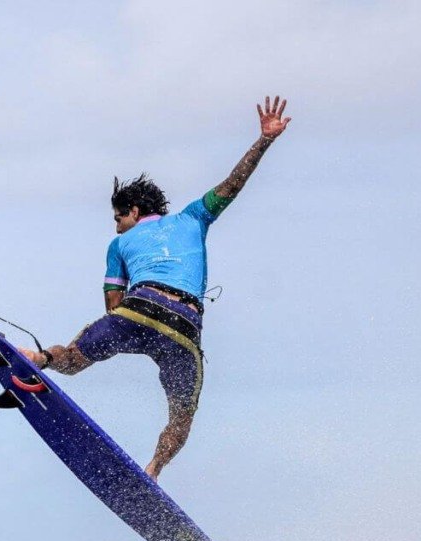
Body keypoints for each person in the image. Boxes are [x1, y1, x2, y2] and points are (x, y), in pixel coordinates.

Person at [21, 95, 292, 480]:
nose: (116, 227)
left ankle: (39, 359)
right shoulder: (195, 217)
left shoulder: (118, 245)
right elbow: (233, 184)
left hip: (139, 309)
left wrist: (106, 342)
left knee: (74, 359)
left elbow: (114, 306)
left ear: (134, 212)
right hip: (183, 329)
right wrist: (264, 140)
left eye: (119, 218)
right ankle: (153, 469)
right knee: (182, 416)